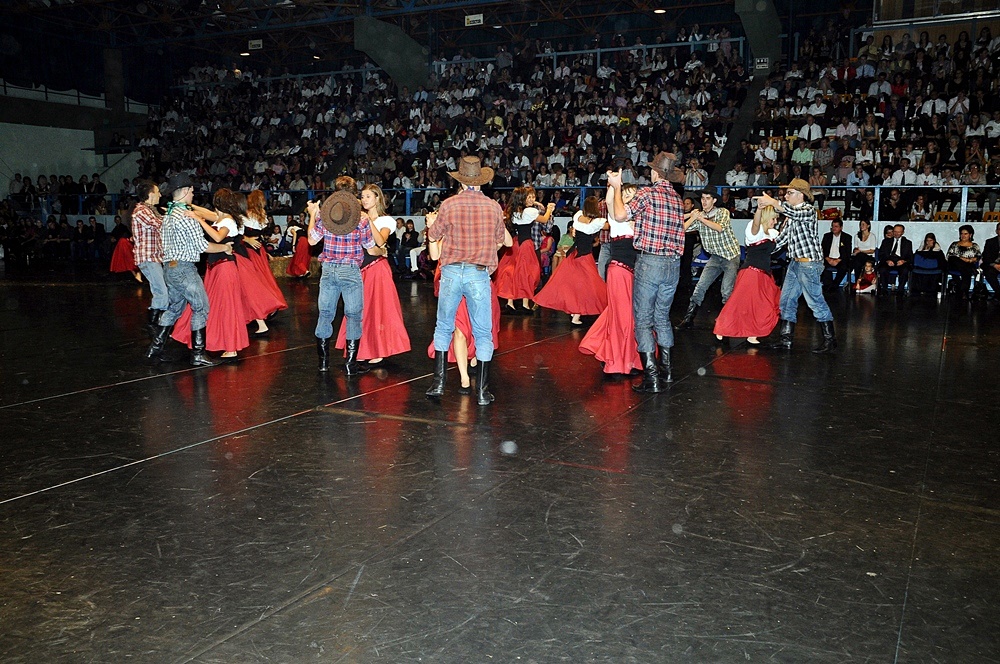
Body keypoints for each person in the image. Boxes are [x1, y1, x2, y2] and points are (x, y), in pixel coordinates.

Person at [425, 156, 509, 406]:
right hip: (478, 273)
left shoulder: (449, 204)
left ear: (461, 181)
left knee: (444, 327)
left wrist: (431, 225)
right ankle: (482, 392)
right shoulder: (493, 207)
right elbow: (500, 240)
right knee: (483, 333)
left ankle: (439, 384)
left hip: (451, 271)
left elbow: (434, 235)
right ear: (481, 181)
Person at [606, 151, 686, 393]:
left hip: (650, 262)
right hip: (673, 264)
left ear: (655, 173)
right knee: (662, 318)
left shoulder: (647, 194)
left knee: (643, 320)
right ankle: (667, 372)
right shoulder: (677, 199)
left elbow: (620, 215)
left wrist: (616, 187)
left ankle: (652, 379)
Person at [146, 173, 233, 367]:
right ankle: (198, 354)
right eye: (192, 191)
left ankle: (155, 349)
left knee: (174, 308)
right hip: (184, 269)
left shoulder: (169, 214)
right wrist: (225, 248)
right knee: (201, 308)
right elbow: (203, 246)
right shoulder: (186, 216)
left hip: (170, 268)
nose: (193, 194)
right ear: (185, 191)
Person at [170, 189, 252, 362]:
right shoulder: (220, 217)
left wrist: (198, 219)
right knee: (213, 305)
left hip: (225, 268)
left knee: (227, 307)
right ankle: (212, 342)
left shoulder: (228, 220)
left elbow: (217, 236)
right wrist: (189, 207)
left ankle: (231, 348)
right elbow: (205, 212)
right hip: (216, 268)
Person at [757, 179, 837, 353]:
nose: (786, 196)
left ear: (801, 195)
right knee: (786, 301)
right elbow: (782, 239)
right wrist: (761, 251)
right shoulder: (791, 216)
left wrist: (773, 202)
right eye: (786, 193)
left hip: (809, 263)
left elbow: (791, 211)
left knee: (815, 301)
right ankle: (786, 340)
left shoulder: (808, 210)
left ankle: (830, 340)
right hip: (795, 263)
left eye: (790, 193)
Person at [307, 190, 383, 374]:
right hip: (350, 270)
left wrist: (312, 215)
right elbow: (371, 249)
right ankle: (350, 364)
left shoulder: (326, 219)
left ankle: (323, 363)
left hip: (328, 270)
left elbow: (311, 240)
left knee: (325, 314)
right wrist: (383, 252)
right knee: (353, 315)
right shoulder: (361, 221)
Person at [334, 184, 410, 364]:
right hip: (359, 269)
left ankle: (379, 349)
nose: (364, 199)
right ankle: (362, 348)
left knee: (377, 310)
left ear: (377, 198)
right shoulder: (357, 220)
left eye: (368, 196)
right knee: (359, 310)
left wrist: (368, 221)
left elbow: (381, 241)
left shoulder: (386, 221)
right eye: (362, 196)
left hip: (377, 269)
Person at [579, 184, 642, 375]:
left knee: (628, 317)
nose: (630, 198)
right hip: (619, 272)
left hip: (634, 273)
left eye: (633, 195)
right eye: (626, 195)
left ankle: (628, 359)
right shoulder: (616, 218)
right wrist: (614, 185)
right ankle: (616, 360)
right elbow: (608, 201)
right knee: (621, 317)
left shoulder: (639, 219)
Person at [534, 196, 609, 325]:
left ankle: (575, 313)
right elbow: (609, 226)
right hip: (585, 257)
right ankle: (576, 316)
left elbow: (576, 233)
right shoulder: (597, 222)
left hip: (573, 254)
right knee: (587, 287)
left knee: (574, 285)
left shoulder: (578, 216)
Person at [713, 204, 782, 344]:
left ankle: (752, 333)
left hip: (764, 275)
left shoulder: (773, 233)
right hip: (751, 273)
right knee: (739, 303)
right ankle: (722, 327)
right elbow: (756, 224)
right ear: (766, 217)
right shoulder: (755, 230)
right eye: (773, 219)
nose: (775, 222)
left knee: (763, 305)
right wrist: (759, 209)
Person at [678, 187, 740, 329]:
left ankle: (729, 322)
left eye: (707, 198)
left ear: (714, 200)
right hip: (715, 257)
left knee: (726, 290)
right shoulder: (699, 216)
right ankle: (688, 319)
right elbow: (681, 229)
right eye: (702, 198)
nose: (704, 201)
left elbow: (719, 227)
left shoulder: (722, 212)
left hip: (730, 256)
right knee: (700, 287)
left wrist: (700, 218)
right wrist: (691, 216)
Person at [497, 186, 555, 313]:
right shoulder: (529, 211)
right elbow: (544, 219)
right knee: (527, 273)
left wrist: (536, 203)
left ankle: (510, 303)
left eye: (533, 197)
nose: (532, 199)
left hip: (516, 243)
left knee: (512, 272)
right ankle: (525, 304)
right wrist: (549, 209)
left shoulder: (514, 210)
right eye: (529, 197)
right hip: (526, 244)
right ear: (523, 198)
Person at [240, 190, 288, 336]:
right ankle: (268, 305)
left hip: (248, 251)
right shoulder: (262, 216)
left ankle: (262, 306)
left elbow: (238, 234)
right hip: (259, 250)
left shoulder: (246, 215)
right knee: (264, 279)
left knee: (253, 282)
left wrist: (246, 239)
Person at [132, 181, 168, 333]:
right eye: (158, 191)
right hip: (148, 257)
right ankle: (154, 323)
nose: (160, 194)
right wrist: (173, 215)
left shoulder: (150, 210)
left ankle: (155, 322)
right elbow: (159, 223)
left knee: (160, 289)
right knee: (162, 291)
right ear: (151, 194)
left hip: (153, 257)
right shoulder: (141, 211)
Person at [946, 225, 982, 299]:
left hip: (968, 265)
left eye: (965, 234)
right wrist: (962, 259)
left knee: (965, 270)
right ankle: (964, 291)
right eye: (961, 233)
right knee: (954, 259)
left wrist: (969, 260)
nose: (963, 235)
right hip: (955, 265)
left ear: (970, 235)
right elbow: (949, 257)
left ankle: (963, 291)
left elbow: (978, 257)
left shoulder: (975, 246)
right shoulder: (954, 244)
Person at [877, 224, 914, 295]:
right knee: (882, 269)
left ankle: (900, 290)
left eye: (898, 232)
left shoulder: (907, 243)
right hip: (889, 260)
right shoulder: (886, 241)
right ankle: (884, 289)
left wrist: (903, 261)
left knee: (905, 270)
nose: (896, 233)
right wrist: (887, 260)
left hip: (901, 261)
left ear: (902, 232)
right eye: (895, 231)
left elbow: (910, 257)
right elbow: (881, 254)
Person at [821, 219, 853, 290]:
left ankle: (834, 286)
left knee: (844, 267)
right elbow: (822, 250)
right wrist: (828, 259)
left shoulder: (847, 237)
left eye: (836, 226)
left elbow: (847, 252)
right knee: (821, 265)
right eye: (833, 226)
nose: (834, 228)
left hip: (840, 260)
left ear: (841, 227)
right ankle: (827, 285)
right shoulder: (827, 236)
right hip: (828, 259)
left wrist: (838, 260)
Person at [981, 222, 1000, 298]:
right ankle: (998, 292)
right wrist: (994, 265)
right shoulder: (990, 242)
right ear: (997, 231)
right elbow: (986, 256)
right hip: (993, 265)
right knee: (989, 272)